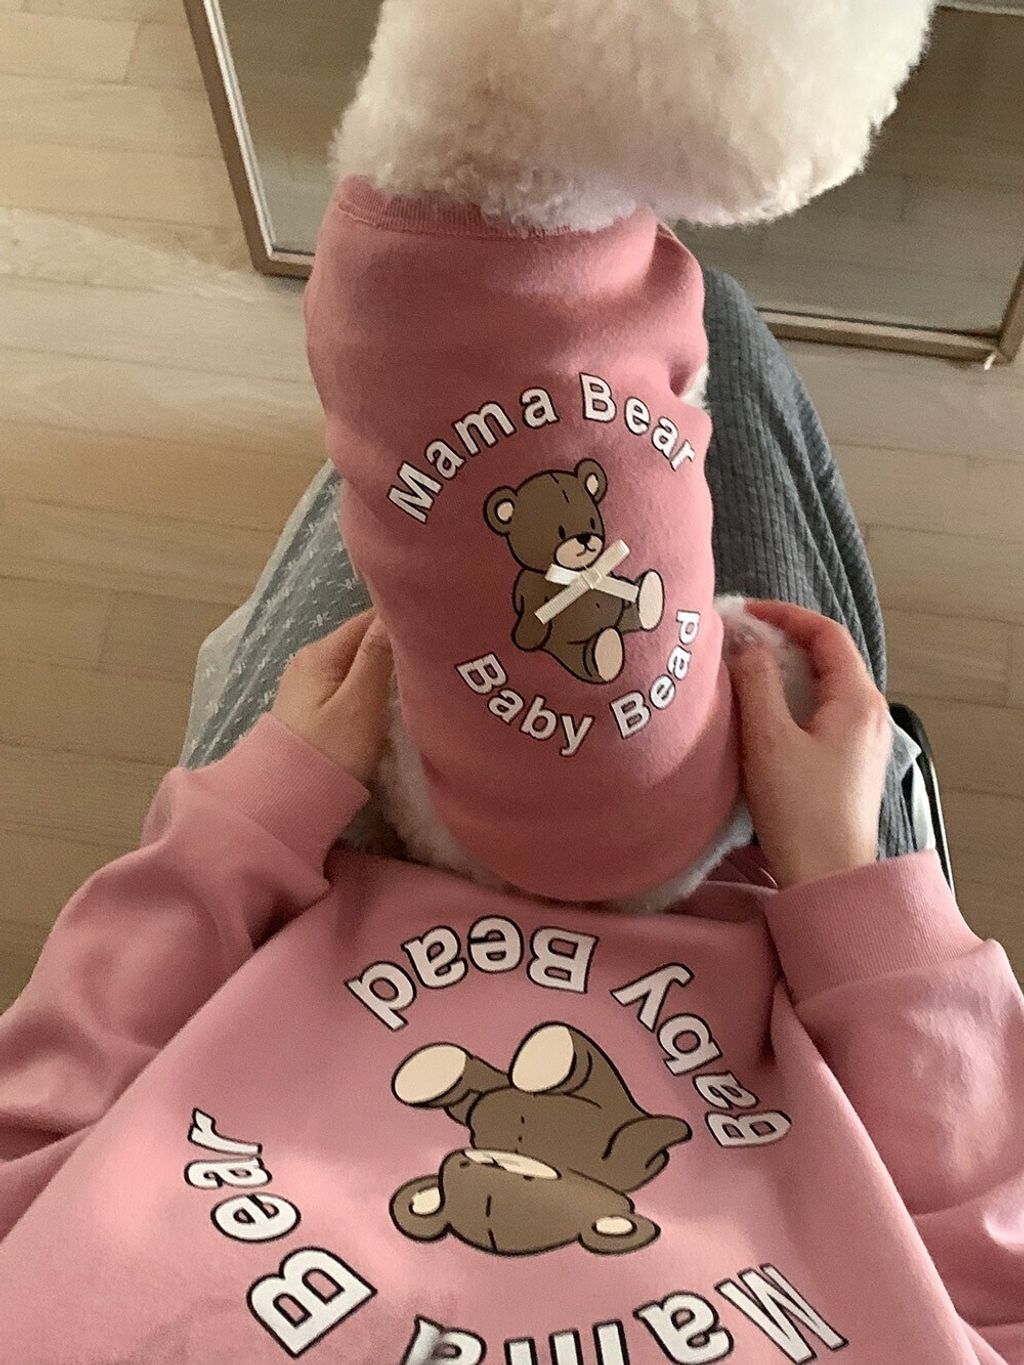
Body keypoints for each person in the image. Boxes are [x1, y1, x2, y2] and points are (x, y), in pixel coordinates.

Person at [0, 276, 1021, 1364]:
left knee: (496, 390)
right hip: (775, 900)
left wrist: (251, 817)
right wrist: (851, 886)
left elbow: (31, 1133)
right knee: (694, 322)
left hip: (321, 864)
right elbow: (1000, 1279)